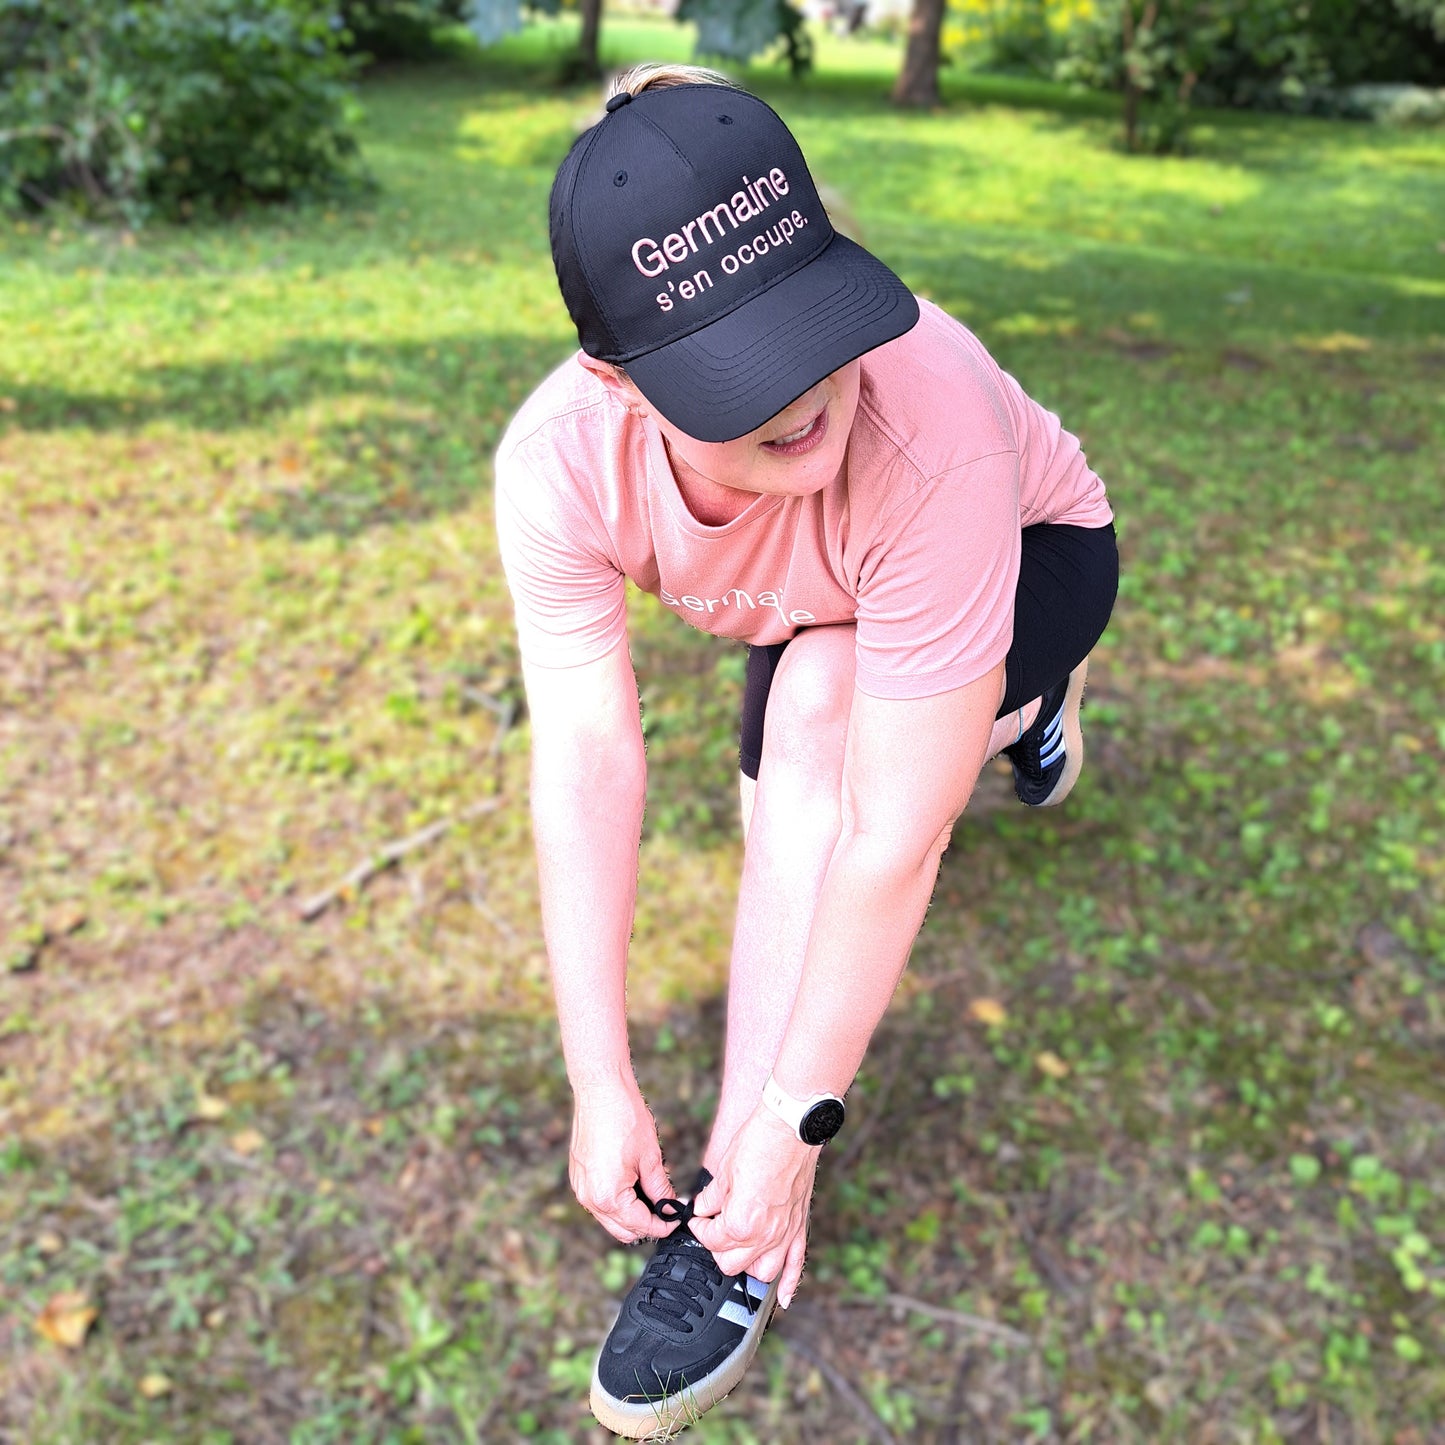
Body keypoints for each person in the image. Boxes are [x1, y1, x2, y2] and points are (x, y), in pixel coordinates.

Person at [495, 63, 1117, 1439]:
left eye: (809, 324)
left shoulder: (925, 416)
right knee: (790, 780)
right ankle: (1030, 733)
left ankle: (730, 1227)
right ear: (616, 379)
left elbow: (892, 839)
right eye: (735, 367)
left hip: (1024, 554)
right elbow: (589, 764)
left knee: (832, 731)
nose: (804, 396)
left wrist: (789, 1127)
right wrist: (595, 1073)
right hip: (828, 593)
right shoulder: (557, 463)